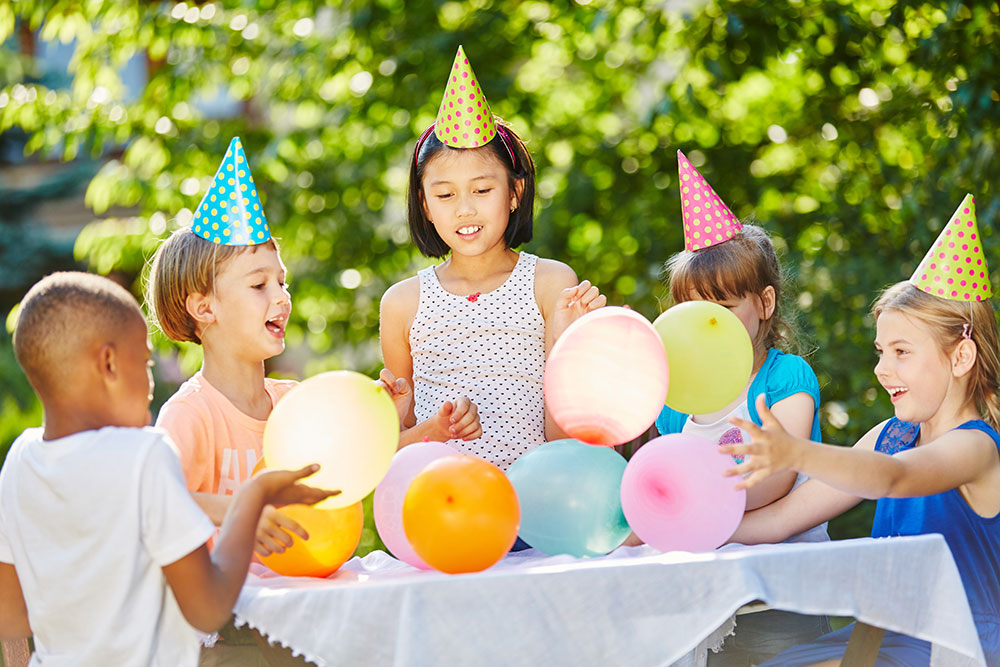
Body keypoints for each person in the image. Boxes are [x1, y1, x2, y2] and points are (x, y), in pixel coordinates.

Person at [145, 137, 411, 663]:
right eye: (259, 285)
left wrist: (407, 426)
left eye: (282, 282)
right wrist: (243, 512)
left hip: (305, 619)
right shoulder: (190, 414)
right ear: (204, 307)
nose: (282, 298)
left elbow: (351, 470)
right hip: (227, 635)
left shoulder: (295, 404)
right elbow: (153, 500)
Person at [0, 271, 337, 665]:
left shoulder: (20, 460)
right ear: (108, 363)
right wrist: (253, 497)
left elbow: (10, 616)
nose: (150, 383)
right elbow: (208, 609)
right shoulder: (144, 455)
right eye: (143, 362)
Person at [723, 194, 1000, 666]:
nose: (881, 369)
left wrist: (795, 454)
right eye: (880, 351)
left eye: (901, 352)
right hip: (882, 633)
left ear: (961, 357)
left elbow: (893, 477)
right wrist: (683, 537)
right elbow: (780, 520)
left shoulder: (977, 448)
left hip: (954, 646)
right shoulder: (891, 436)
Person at [380, 45, 605, 471]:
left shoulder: (550, 284)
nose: (464, 208)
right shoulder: (402, 304)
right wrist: (432, 425)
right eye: (445, 195)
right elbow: (401, 448)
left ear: (515, 193)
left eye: (482, 190)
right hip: (442, 514)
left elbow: (565, 442)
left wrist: (567, 346)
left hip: (536, 512)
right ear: (425, 205)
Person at [648, 151, 829, 665]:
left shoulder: (784, 379)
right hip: (702, 597)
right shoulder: (675, 398)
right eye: (694, 310)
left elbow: (774, 481)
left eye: (723, 308)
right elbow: (661, 478)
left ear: (764, 305)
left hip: (779, 595)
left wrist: (689, 509)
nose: (709, 322)